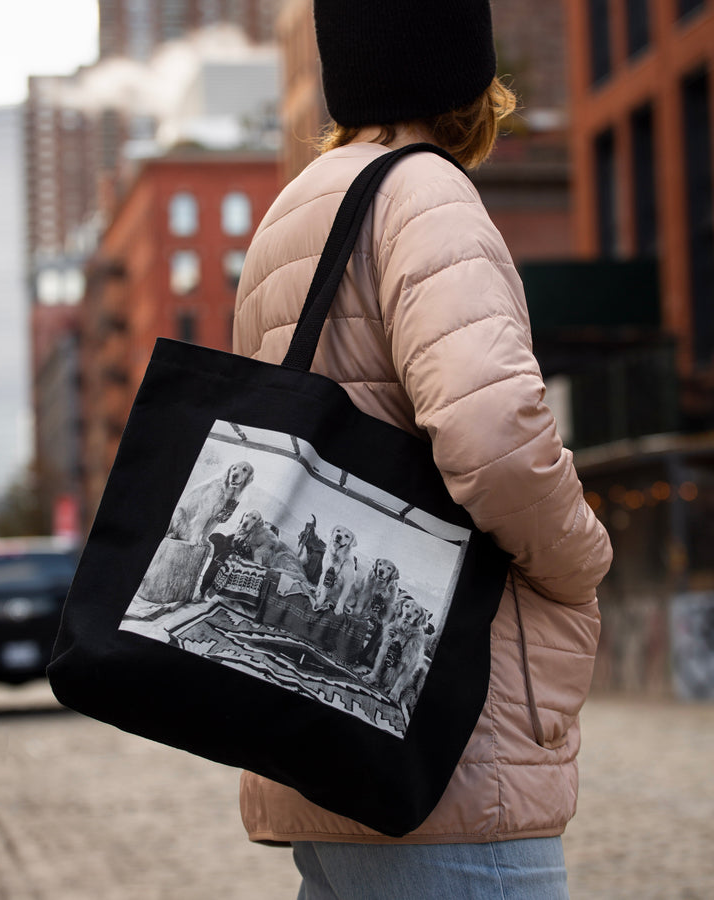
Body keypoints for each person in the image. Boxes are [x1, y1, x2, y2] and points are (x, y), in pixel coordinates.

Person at [232, 1, 613, 896]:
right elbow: (495, 439)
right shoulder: (428, 199)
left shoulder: (294, 212)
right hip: (447, 746)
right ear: (467, 78)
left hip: (322, 736)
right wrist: (581, 556)